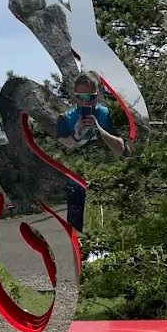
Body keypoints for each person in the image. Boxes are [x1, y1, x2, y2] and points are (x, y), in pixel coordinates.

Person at [54, 73, 127, 230]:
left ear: (97, 96)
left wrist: (100, 130)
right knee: (76, 231)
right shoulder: (65, 118)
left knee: (110, 228)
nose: (85, 101)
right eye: (81, 97)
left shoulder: (108, 115)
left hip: (109, 179)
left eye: (90, 97)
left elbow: (121, 148)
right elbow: (62, 146)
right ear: (74, 97)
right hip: (77, 183)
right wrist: (76, 134)